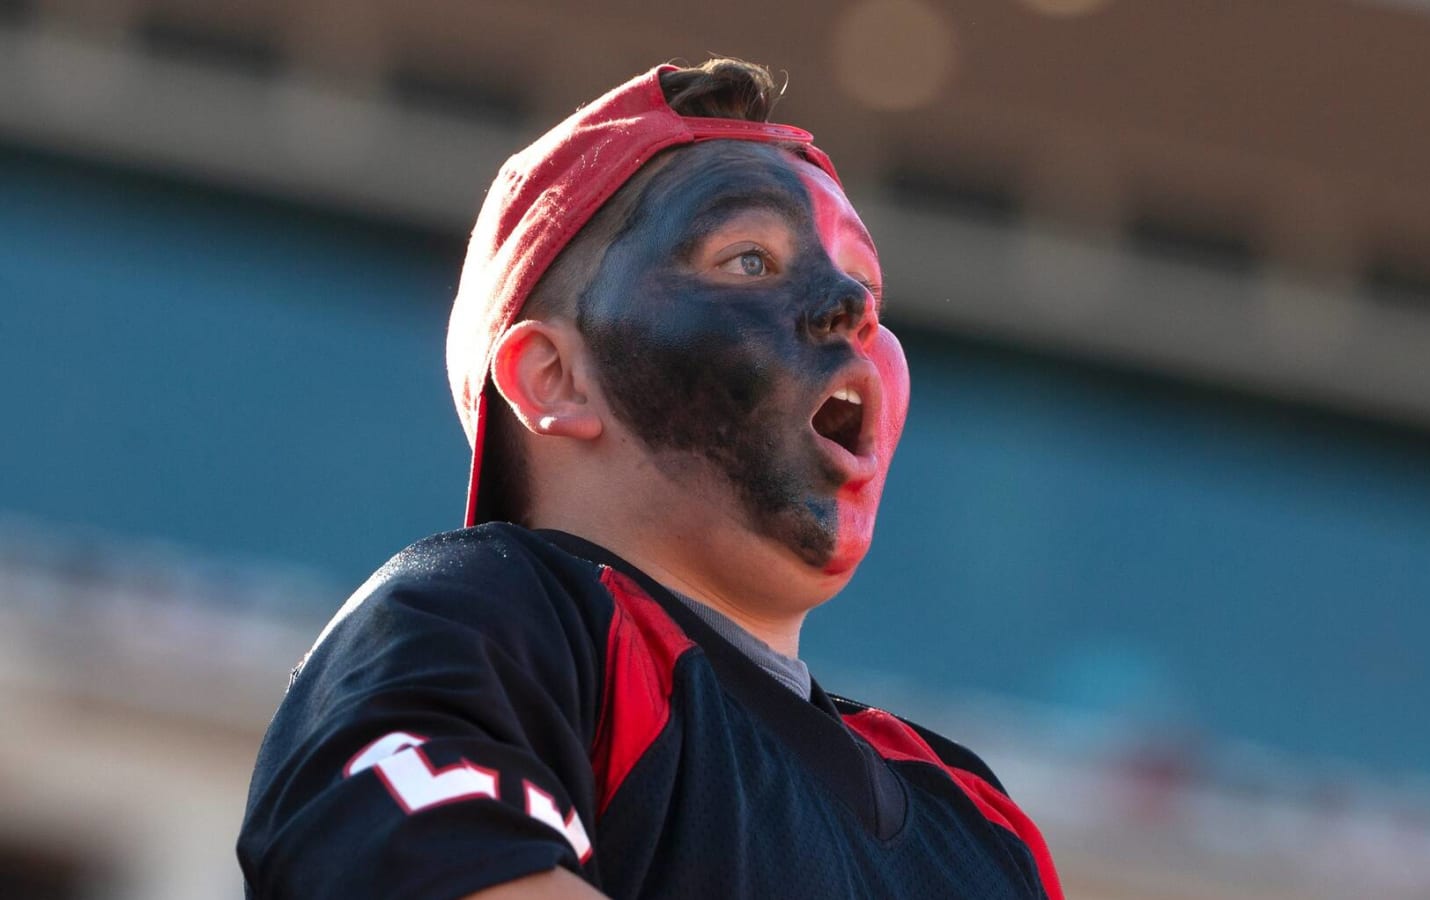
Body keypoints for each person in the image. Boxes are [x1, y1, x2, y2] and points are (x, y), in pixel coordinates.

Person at [237, 58, 1063, 900]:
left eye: (869, 286)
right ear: (554, 378)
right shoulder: (485, 621)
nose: (850, 306)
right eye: (750, 260)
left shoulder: (977, 823)